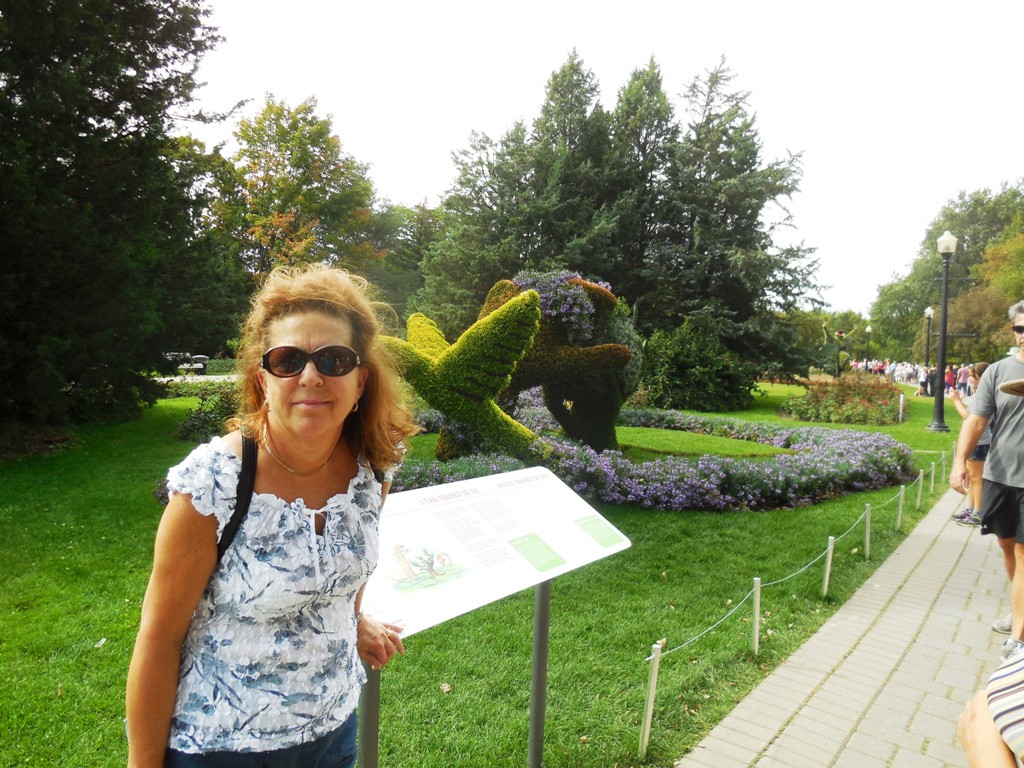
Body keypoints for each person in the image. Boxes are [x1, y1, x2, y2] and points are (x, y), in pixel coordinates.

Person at [126, 265, 418, 768]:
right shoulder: (213, 484)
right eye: (287, 360)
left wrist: (354, 620)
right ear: (263, 380)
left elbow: (341, 573)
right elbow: (159, 638)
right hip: (222, 749)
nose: (311, 376)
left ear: (360, 382)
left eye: (334, 359)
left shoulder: (374, 468)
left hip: (333, 734)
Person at [950, 300, 1024, 659]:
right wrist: (959, 462)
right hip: (1000, 475)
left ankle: (1018, 637)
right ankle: (1018, 607)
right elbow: (976, 420)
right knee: (1007, 545)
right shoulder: (997, 371)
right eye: (1019, 328)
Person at [950, 362, 991, 529]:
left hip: (979, 442)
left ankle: (979, 512)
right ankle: (972, 508)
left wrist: (956, 401)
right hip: (975, 442)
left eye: (973, 376)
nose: (970, 379)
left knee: (976, 478)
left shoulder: (985, 394)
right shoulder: (980, 394)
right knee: (972, 478)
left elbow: (969, 417)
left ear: (982, 377)